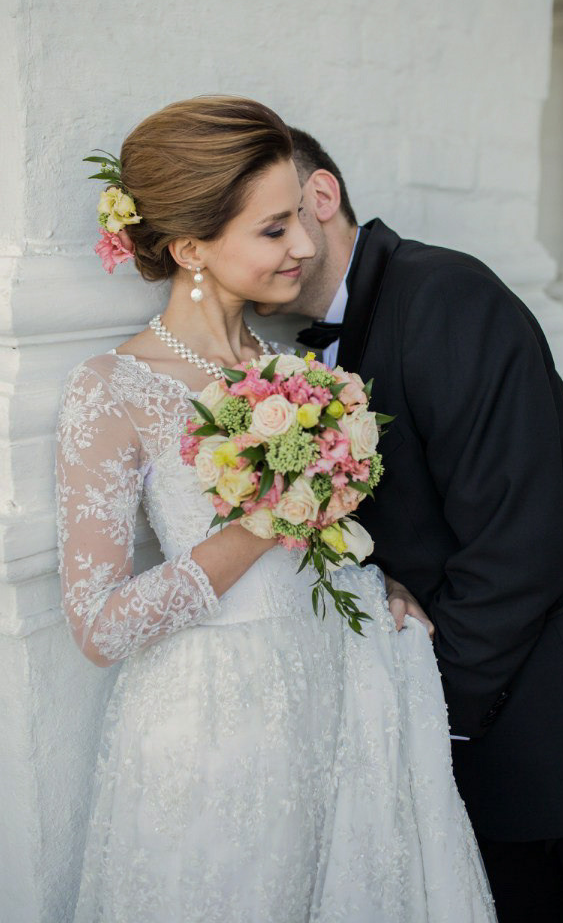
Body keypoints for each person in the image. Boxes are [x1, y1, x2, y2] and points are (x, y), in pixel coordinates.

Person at [56, 97, 496, 923]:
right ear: (191, 249)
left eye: (299, 215)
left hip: (337, 702)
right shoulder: (113, 391)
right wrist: (263, 523)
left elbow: (321, 543)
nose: (304, 244)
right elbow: (100, 627)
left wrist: (376, 581)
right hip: (215, 729)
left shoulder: (298, 366)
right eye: (272, 229)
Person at [254, 126, 563, 923]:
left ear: (320, 197)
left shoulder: (446, 295)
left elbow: (518, 552)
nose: (254, 253)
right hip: (504, 762)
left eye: (269, 225)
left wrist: (423, 715)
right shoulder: (314, 351)